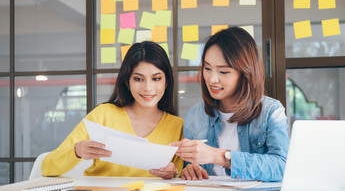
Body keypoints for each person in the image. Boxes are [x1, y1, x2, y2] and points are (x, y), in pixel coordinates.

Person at [42, 41, 183, 179]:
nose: (148, 88)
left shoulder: (177, 126)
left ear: (167, 81)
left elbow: (183, 177)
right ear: (127, 82)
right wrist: (77, 151)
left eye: (156, 78)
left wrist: (173, 173)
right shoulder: (103, 115)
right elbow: (47, 166)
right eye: (138, 79)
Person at [172, 27, 289, 182]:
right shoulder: (195, 115)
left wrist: (219, 156)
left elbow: (282, 167)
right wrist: (190, 170)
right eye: (207, 68)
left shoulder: (270, 111)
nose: (212, 79)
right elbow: (190, 169)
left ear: (246, 73)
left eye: (223, 72)